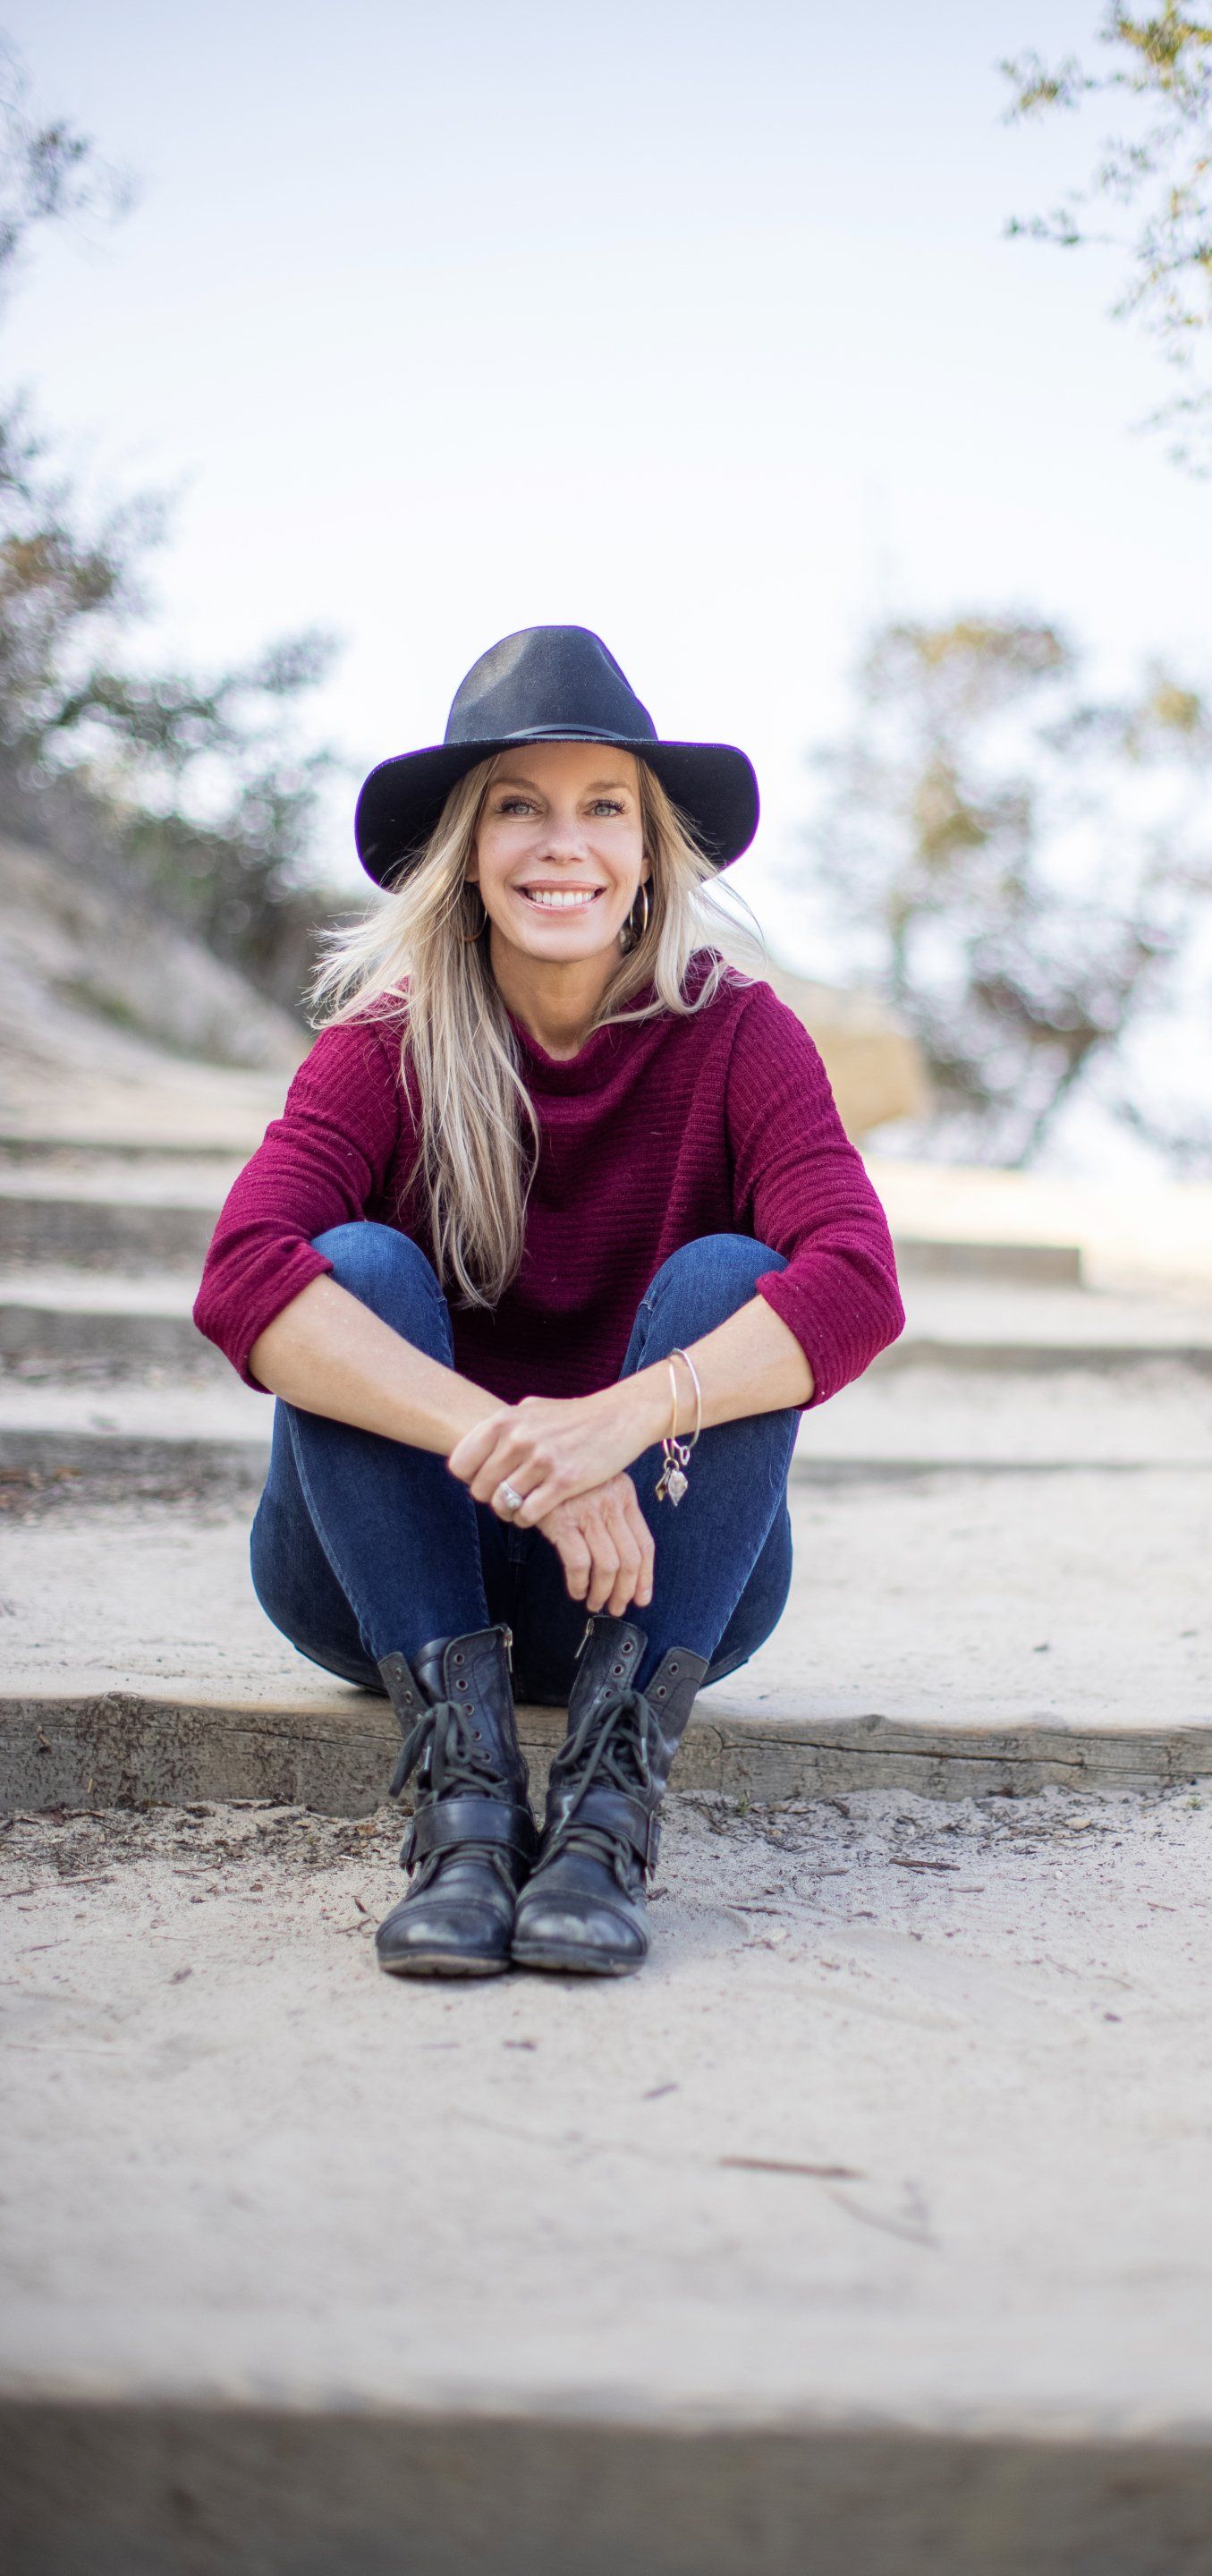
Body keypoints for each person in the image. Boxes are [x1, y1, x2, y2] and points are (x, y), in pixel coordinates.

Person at [193, 625, 904, 1982]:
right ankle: (464, 1813)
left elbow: (858, 1282)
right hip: (374, 1576)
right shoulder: (385, 1043)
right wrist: (522, 1452)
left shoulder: (739, 1033)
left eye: (604, 809)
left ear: (649, 851)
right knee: (356, 1268)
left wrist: (618, 1425)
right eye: (519, 807)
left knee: (732, 1280)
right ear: (468, 849)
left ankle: (602, 1821)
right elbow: (243, 1274)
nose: (563, 846)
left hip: (649, 1579)